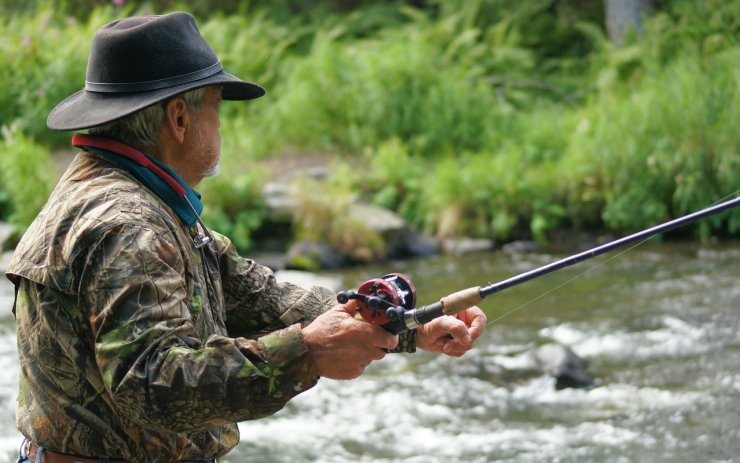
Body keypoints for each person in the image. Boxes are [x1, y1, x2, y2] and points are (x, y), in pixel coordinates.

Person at [7, 11, 487, 463]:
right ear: (179, 119)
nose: (219, 126)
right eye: (216, 109)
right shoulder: (129, 224)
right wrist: (309, 351)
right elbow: (154, 386)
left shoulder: (120, 194)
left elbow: (258, 296)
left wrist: (407, 326)